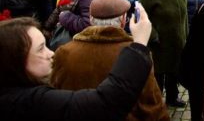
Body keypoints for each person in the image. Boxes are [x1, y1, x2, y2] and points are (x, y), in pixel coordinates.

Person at [0, 7, 154, 121]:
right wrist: (139, 45)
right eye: (40, 49)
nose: (50, 53)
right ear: (15, 59)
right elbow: (105, 104)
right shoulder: (31, 102)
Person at [50, 0, 170, 121]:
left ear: (91, 19)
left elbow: (54, 96)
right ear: (124, 20)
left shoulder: (64, 52)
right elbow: (150, 103)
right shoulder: (136, 54)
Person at [140, 0, 188, 108]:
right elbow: (141, 15)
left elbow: (184, 16)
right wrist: (153, 36)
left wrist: (186, 35)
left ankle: (172, 98)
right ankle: (156, 101)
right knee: (158, 75)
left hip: (177, 42)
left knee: (174, 72)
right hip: (159, 44)